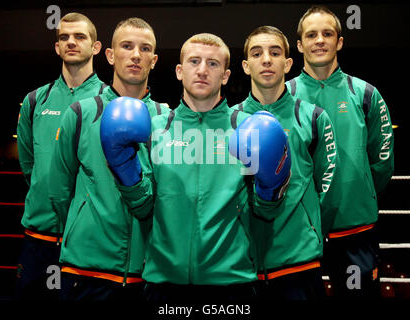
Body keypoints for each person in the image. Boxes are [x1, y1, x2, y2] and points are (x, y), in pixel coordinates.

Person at [100, 33, 292, 302]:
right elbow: (142, 207)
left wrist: (273, 188)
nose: (202, 70)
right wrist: (124, 169)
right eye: (194, 61)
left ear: (225, 76)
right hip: (162, 282)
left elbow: (265, 211)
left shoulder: (248, 127)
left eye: (213, 64)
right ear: (179, 71)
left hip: (231, 283)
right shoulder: (156, 128)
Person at [48, 17, 169, 300]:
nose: (136, 55)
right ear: (111, 55)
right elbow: (58, 191)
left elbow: (169, 195)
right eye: (127, 46)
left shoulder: (167, 119)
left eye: (145, 48)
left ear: (154, 60)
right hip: (86, 270)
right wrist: (84, 231)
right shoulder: (80, 113)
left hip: (148, 271)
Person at [287, 5, 394, 298]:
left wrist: (357, 193)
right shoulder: (284, 98)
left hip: (354, 229)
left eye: (327, 33)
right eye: (311, 34)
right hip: (296, 232)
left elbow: (381, 162)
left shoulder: (365, 94)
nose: (319, 40)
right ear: (299, 45)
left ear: (340, 42)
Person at [233, 25, 338, 300]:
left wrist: (310, 233)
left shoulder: (314, 117)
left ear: (288, 63)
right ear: (246, 66)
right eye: (257, 53)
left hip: (299, 261)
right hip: (242, 264)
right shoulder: (229, 121)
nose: (266, 59)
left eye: (275, 52)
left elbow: (327, 187)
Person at [15, 12, 106, 300]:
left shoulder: (110, 102)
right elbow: (29, 166)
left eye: (80, 36)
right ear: (56, 47)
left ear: (96, 47)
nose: (70, 42)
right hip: (38, 235)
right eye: (64, 37)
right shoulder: (35, 100)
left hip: (86, 240)